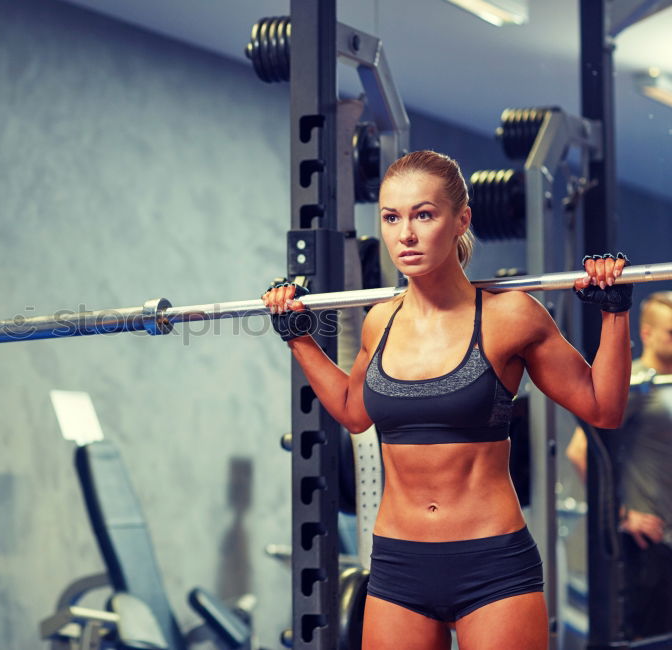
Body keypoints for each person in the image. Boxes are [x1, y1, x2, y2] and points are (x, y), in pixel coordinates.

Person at [262, 150, 631, 650]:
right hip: (398, 565)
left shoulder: (511, 315)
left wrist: (614, 314)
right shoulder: (379, 320)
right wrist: (299, 340)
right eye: (391, 217)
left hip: (492, 563)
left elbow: (603, 408)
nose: (405, 235)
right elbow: (353, 413)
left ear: (461, 220)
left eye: (424, 214)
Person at [566, 291, 672, 639]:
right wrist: (623, 515)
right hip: (653, 541)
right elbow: (580, 451)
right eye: (671, 332)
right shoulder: (635, 383)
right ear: (647, 334)